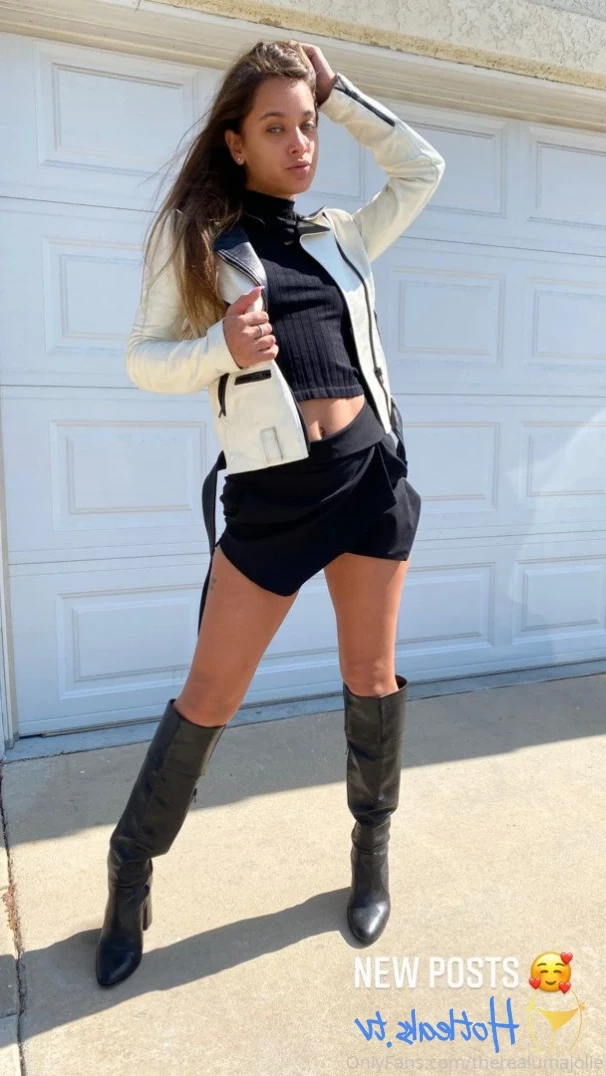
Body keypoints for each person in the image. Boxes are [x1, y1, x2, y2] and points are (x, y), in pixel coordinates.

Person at [95, 38, 445, 988]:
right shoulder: (201, 243)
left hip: (367, 479)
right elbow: (142, 358)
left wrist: (341, 93)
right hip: (274, 496)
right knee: (209, 696)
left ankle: (370, 857)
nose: (300, 145)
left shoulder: (341, 234)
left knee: (373, 679)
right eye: (276, 127)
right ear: (235, 141)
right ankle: (130, 872)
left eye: (308, 125)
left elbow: (423, 167)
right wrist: (220, 346)